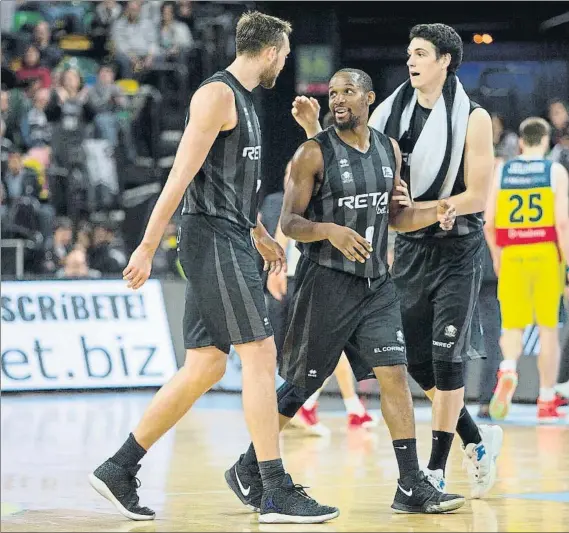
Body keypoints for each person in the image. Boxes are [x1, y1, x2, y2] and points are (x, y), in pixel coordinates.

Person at [89, 11, 338, 525]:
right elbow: (179, 177)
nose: (286, 62)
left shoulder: (245, 100)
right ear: (269, 52)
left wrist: (264, 236)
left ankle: (118, 467)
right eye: (285, 54)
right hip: (211, 241)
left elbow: (232, 189)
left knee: (206, 365)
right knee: (261, 354)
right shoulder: (216, 95)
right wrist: (146, 245)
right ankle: (272, 488)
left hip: (234, 238)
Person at [225, 67, 466, 515]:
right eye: (333, 93)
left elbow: (398, 216)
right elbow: (292, 223)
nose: (337, 99)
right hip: (325, 284)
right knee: (300, 385)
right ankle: (247, 466)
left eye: (347, 92)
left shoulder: (388, 150)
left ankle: (411, 484)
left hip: (376, 286)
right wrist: (331, 230)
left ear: (368, 98)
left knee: (394, 374)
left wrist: (438, 212)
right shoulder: (311, 154)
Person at [291, 23, 503, 500]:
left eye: (422, 53)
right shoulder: (392, 109)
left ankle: (434, 470)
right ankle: (475, 437)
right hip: (409, 244)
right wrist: (312, 132)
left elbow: (480, 194)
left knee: (448, 360)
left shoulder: (473, 117)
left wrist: (442, 206)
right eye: (409, 52)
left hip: (458, 246)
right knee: (415, 363)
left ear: (445, 61)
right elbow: (349, 155)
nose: (412, 60)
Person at [484, 117, 569, 421]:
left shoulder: (504, 170)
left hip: (512, 253)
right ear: (545, 141)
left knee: (512, 324)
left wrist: (497, 256)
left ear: (520, 141)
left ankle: (508, 367)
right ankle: (546, 399)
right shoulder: (554, 171)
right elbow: (562, 223)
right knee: (548, 329)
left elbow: (489, 222)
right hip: (546, 254)